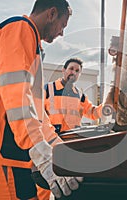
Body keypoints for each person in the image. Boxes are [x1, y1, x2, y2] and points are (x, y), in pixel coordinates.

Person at [0, 0, 82, 199]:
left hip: (9, 150)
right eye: (62, 25)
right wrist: (41, 152)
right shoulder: (19, 30)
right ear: (52, 14)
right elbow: (17, 96)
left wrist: (56, 147)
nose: (62, 33)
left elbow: (36, 112)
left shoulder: (31, 41)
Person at [37, 58, 104, 199]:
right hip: (51, 146)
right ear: (64, 70)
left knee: (69, 186)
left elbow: (92, 112)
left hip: (72, 146)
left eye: (77, 71)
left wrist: (107, 107)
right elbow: (37, 116)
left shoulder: (79, 94)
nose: (73, 72)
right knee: (46, 185)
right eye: (71, 69)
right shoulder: (47, 89)